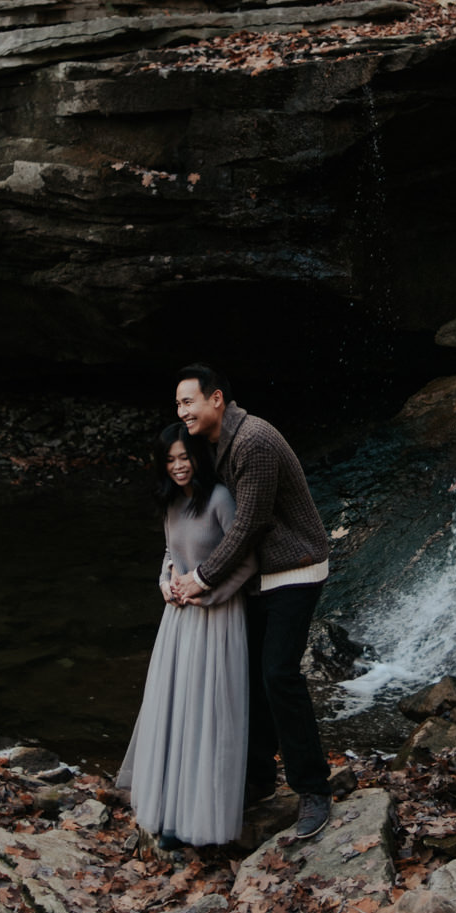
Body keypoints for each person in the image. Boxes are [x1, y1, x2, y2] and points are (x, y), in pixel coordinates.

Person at [169, 363, 335, 842]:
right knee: (248, 675)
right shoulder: (213, 442)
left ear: (216, 399)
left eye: (188, 402)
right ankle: (259, 779)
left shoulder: (254, 441)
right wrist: (172, 570)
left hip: (295, 567)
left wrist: (201, 577)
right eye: (178, 405)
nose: (183, 413)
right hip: (257, 574)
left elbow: (251, 524)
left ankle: (314, 791)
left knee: (278, 675)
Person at [114, 423, 255, 848]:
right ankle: (170, 813)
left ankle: (203, 819)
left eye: (184, 457)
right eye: (170, 460)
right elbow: (169, 553)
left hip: (217, 617)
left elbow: (247, 561)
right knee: (173, 710)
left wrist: (208, 595)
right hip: (177, 621)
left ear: (199, 457)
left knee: (206, 714)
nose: (178, 466)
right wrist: (164, 582)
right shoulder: (172, 502)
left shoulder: (220, 499)